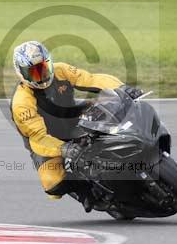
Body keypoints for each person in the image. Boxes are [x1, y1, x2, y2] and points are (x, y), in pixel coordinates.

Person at [9, 41, 143, 211]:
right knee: (52, 182)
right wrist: (65, 149)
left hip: (74, 118)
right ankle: (85, 193)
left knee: (110, 103)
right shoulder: (22, 102)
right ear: (22, 74)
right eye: (34, 72)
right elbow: (39, 138)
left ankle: (134, 144)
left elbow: (91, 79)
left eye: (44, 67)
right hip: (49, 140)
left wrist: (122, 88)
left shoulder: (61, 70)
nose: (42, 74)